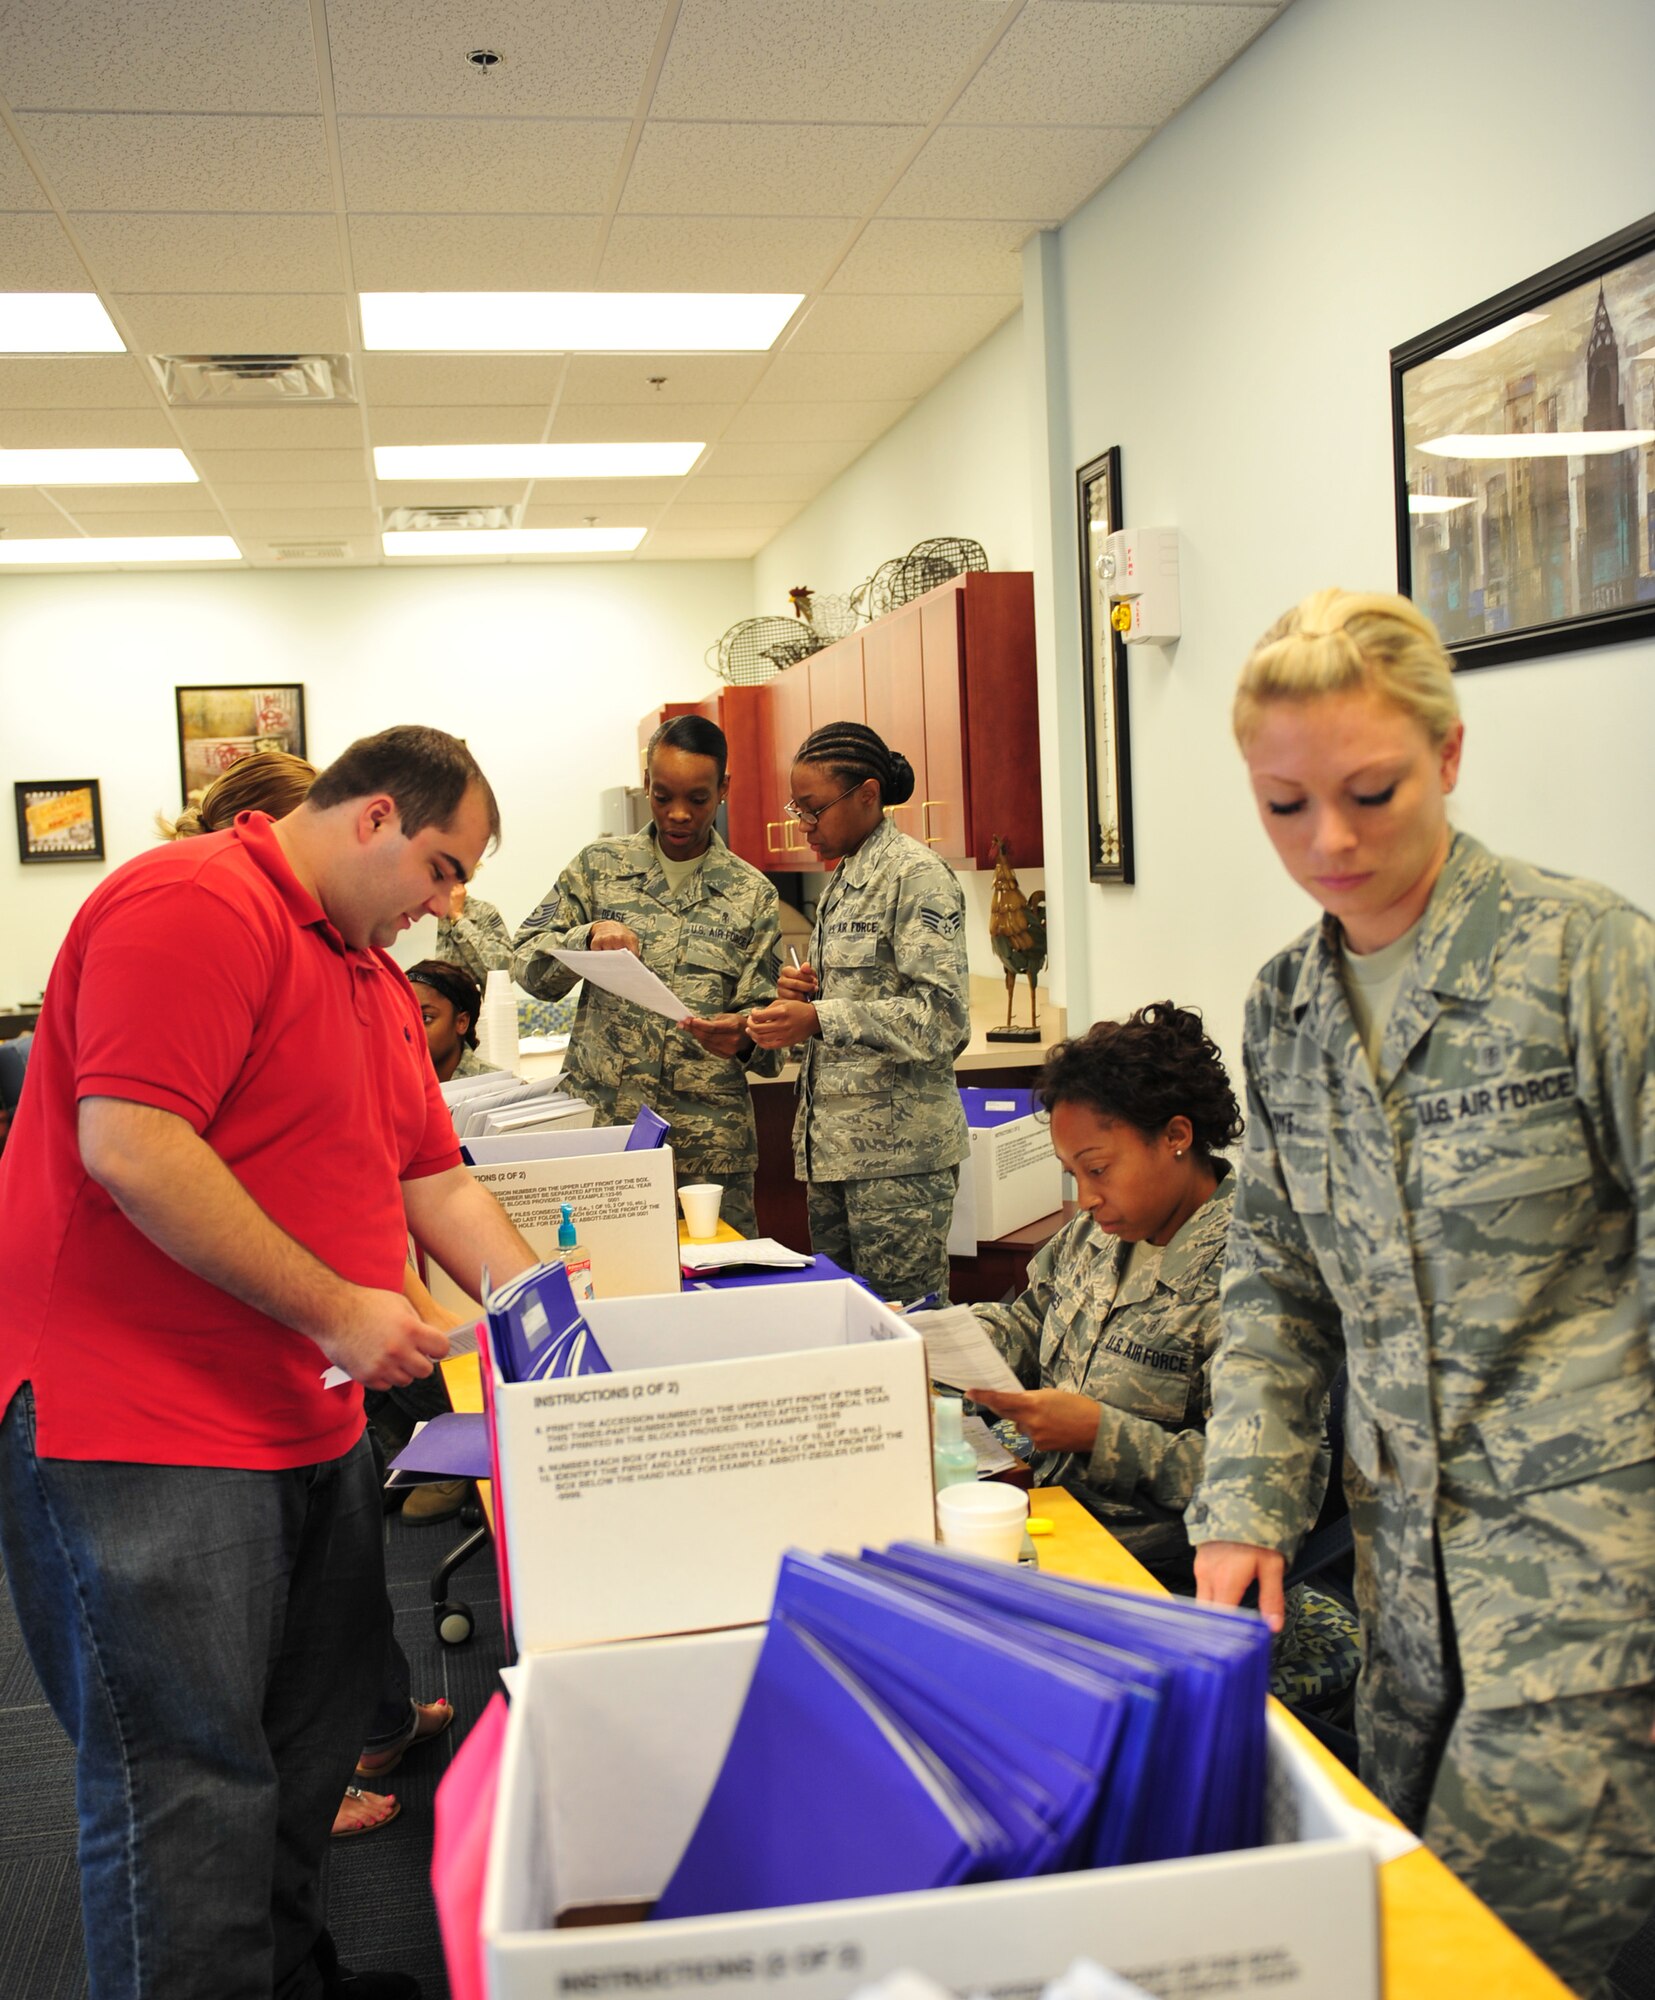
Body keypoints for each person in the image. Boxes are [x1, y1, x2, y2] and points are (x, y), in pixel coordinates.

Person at [0, 725, 540, 2000]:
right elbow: (132, 1146)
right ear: (371, 820)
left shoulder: (359, 970)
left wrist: (542, 1317)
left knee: (303, 1754)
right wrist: (342, 1313)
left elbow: (430, 1173)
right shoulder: (194, 901)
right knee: (188, 1778)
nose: (447, 905)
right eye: (443, 866)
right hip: (142, 1427)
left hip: (299, 1416)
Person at [1187, 588, 1655, 1995]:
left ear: (1446, 758)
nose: (1327, 843)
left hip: (1591, 1590)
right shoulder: (1283, 1008)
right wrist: (1243, 1506)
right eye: (1282, 807)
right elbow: (1271, 1284)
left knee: (1479, 1961)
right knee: (1431, 1930)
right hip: (1406, 1605)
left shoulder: (1585, 960)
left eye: (1368, 792)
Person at [963, 1004, 1241, 1591]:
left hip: (1163, 1577)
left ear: (1176, 1136)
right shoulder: (1099, 1233)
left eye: (1099, 1169)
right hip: (1056, 1528)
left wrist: (1100, 1434)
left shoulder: (1252, 1277)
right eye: (1072, 1174)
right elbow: (1027, 1324)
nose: (1086, 1198)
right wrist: (941, 1343)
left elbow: (1267, 1482)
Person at [512, 714, 782, 1237]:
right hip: (604, 1133)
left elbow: (772, 1040)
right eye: (663, 797)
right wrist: (584, 936)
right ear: (646, 783)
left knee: (719, 1294)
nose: (679, 815)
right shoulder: (597, 867)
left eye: (698, 799)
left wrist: (744, 1036)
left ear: (724, 789)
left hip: (707, 1150)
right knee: (603, 1276)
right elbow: (523, 962)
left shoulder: (754, 895)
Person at [747, 721, 970, 1303]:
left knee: (911, 1329)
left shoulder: (915, 876)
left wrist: (824, 1017)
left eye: (814, 810)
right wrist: (804, 998)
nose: (804, 827)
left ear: (868, 795)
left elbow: (943, 1019)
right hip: (834, 1155)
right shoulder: (848, 876)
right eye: (798, 809)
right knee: (852, 1329)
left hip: (898, 1163)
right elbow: (860, 997)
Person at [407, 958, 496, 1083]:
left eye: (425, 1018)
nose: (409, 1029)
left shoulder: (503, 1090)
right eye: (402, 1017)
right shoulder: (386, 1089)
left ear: (461, 1022)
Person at [433, 877, 513, 984]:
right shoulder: (411, 914)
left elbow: (506, 973)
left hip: (473, 999)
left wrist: (458, 919)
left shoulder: (483, 912)